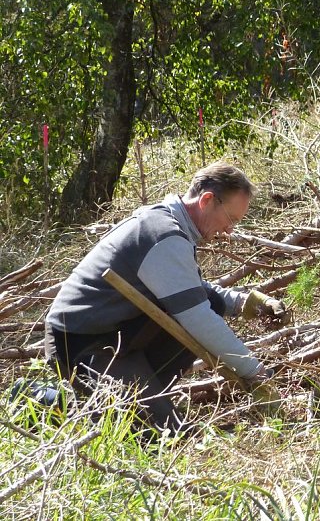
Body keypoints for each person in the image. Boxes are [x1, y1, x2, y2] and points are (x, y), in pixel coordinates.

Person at [44, 162, 288, 435]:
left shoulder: (168, 226)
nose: (229, 230)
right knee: (164, 435)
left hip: (117, 336)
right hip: (84, 343)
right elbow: (197, 318)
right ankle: (44, 401)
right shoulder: (163, 234)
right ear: (207, 200)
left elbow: (191, 289)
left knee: (213, 305)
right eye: (230, 219)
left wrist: (243, 303)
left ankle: (132, 401)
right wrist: (254, 372)